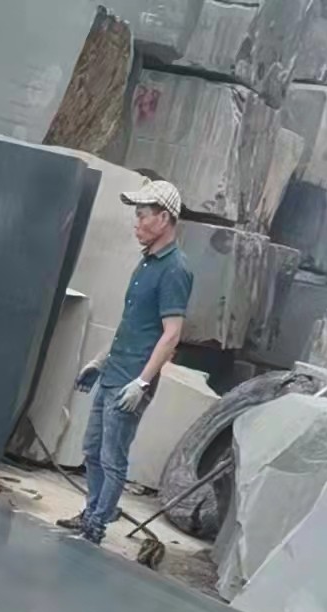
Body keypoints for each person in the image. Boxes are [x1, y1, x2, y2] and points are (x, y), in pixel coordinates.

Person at [57, 179, 194, 546]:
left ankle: (96, 525)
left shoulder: (175, 269)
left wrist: (142, 382)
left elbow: (171, 334)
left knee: (112, 457)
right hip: (114, 371)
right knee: (92, 449)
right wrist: (99, 361)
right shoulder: (146, 262)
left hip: (131, 379)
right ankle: (92, 511)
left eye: (142, 215)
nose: (136, 223)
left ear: (164, 218)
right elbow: (131, 324)